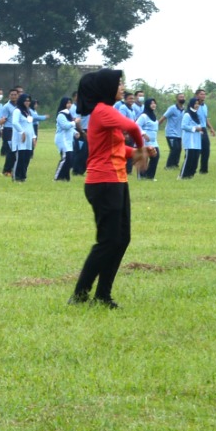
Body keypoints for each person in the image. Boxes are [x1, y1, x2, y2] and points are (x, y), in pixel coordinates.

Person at [70, 69, 147, 309]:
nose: (123, 86)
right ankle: (80, 295)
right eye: (119, 83)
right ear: (106, 88)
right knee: (108, 241)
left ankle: (103, 295)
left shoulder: (106, 113)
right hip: (103, 183)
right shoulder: (103, 112)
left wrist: (134, 153)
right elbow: (133, 128)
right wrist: (142, 148)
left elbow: (113, 149)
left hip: (117, 181)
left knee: (121, 239)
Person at [10, 93, 36, 182]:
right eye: (26, 100)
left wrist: (33, 137)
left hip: (28, 140)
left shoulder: (28, 111)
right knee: (20, 159)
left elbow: (30, 125)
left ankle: (23, 177)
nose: (27, 102)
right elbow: (15, 123)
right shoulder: (17, 111)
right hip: (20, 139)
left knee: (26, 159)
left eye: (29, 101)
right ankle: (16, 177)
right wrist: (22, 132)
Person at [179, 99, 206, 179]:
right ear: (191, 104)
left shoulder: (196, 115)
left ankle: (190, 175)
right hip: (189, 140)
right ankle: (183, 175)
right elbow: (183, 126)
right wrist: (195, 128)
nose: (197, 105)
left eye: (198, 104)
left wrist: (200, 130)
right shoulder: (187, 114)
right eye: (195, 104)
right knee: (189, 158)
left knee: (195, 158)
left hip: (196, 140)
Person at [135, 98, 160, 180]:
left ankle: (150, 176)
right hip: (144, 141)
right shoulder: (144, 116)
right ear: (147, 105)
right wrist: (143, 133)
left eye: (154, 103)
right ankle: (141, 176)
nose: (153, 105)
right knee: (143, 158)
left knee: (156, 156)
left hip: (153, 141)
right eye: (151, 103)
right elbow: (137, 125)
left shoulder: (153, 116)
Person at [54, 97, 77, 182]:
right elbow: (65, 126)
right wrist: (75, 122)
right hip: (62, 139)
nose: (69, 105)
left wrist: (75, 132)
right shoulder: (61, 114)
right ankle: (57, 177)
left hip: (68, 140)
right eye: (67, 103)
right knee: (65, 158)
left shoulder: (68, 114)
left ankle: (65, 178)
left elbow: (70, 127)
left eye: (70, 103)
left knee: (70, 159)